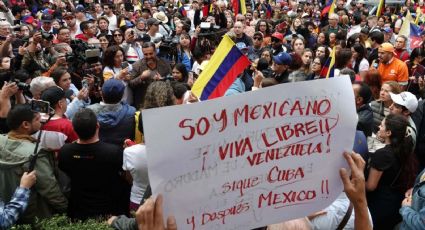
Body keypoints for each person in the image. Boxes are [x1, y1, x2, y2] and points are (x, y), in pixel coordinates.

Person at [0, 105, 67, 224]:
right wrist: (65, 208)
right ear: (25, 125)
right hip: (33, 215)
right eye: (37, 119)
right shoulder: (35, 154)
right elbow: (49, 188)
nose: (41, 121)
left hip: (5, 209)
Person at [58, 108, 129, 220]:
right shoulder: (114, 152)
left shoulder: (65, 152)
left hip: (77, 211)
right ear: (97, 126)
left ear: (74, 129)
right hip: (108, 213)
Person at [366, 114, 417, 229]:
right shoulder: (405, 150)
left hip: (378, 207)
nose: (379, 126)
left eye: (382, 125)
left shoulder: (383, 155)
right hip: (395, 205)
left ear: (389, 133)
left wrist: (355, 178)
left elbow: (370, 186)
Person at [87, 79, 136, 147]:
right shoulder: (132, 112)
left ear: (101, 93)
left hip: (98, 154)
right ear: (122, 95)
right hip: (123, 153)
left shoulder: (89, 112)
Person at [129, 42, 172, 109]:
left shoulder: (165, 63)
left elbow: (172, 80)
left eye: (151, 53)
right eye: (146, 54)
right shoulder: (136, 66)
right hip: (143, 103)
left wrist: (162, 80)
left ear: (155, 52)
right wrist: (141, 77)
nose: (149, 56)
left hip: (162, 102)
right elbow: (131, 84)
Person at [39, 86, 78, 151]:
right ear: (60, 103)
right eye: (65, 99)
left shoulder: (35, 121)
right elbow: (77, 148)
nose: (66, 101)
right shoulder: (67, 126)